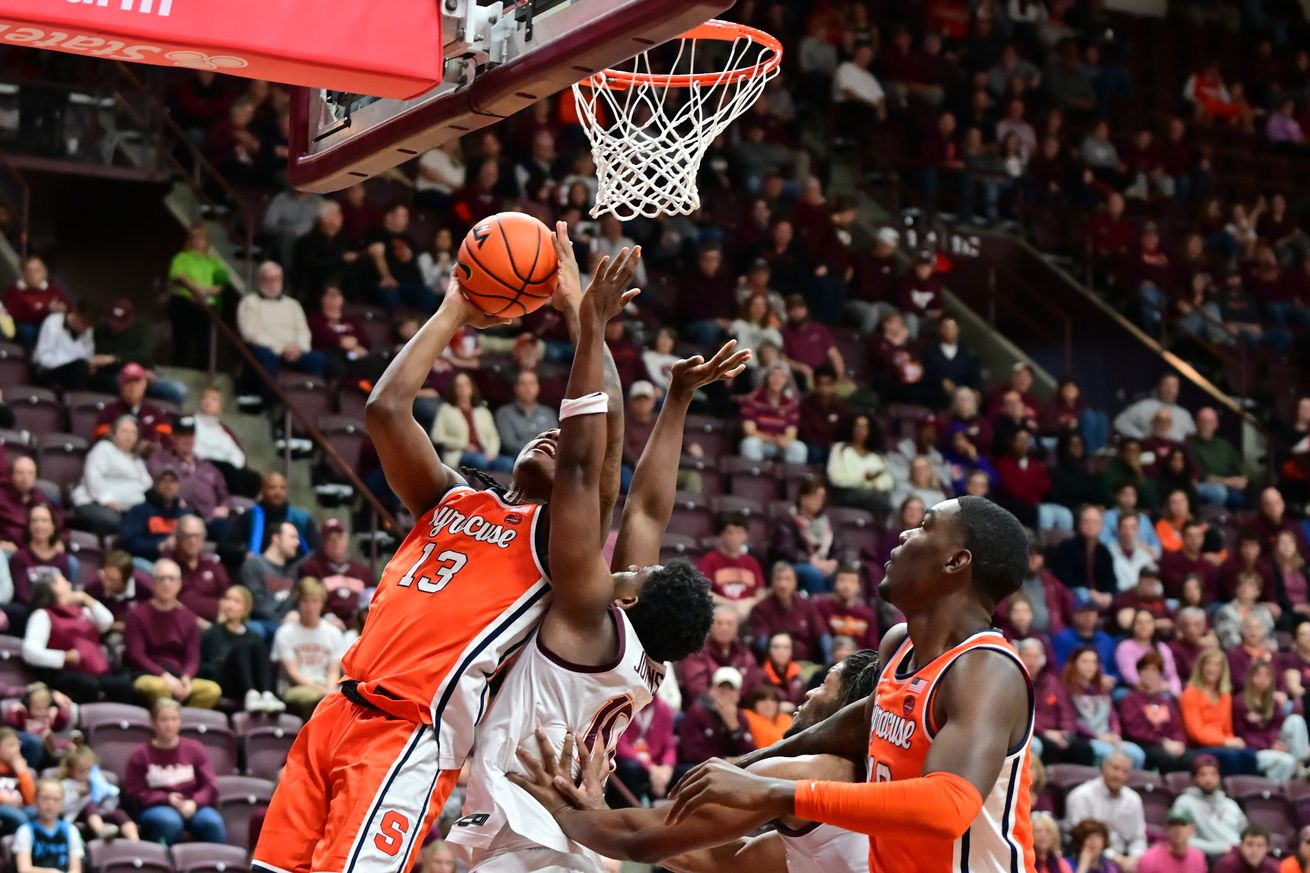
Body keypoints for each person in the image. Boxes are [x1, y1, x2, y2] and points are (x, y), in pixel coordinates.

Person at [252, 222, 628, 873]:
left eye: (561, 437)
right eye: (540, 431)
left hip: (408, 736)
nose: (550, 437)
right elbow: (386, 410)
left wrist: (579, 314)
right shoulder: (450, 497)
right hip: (336, 709)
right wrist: (456, 305)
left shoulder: (554, 537)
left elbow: (601, 438)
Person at [449, 289, 738, 871]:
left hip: (531, 833)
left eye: (637, 573)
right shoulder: (639, 660)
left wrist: (592, 324)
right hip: (568, 837)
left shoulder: (589, 620)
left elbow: (597, 467)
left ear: (627, 597)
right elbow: (650, 511)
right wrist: (677, 401)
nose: (630, 564)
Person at [661, 497, 1036, 871]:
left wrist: (772, 788)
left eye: (924, 526)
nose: (905, 532)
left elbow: (947, 807)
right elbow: (862, 719)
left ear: (956, 560)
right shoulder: (901, 647)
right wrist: (752, 761)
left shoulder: (986, 667)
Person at [506, 649, 880, 873]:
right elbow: (719, 864)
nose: (809, 691)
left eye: (825, 683)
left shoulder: (811, 771)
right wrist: (598, 809)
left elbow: (642, 840)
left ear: (849, 709)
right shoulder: (872, 784)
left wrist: (562, 811)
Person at [123, 700, 226, 845]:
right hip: (157, 808)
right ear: (153, 723)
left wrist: (195, 803)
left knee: (212, 821)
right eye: (164, 720)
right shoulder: (140, 755)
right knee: (169, 822)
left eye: (174, 719)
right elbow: (134, 793)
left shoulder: (194, 748)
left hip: (192, 805)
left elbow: (210, 786)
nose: (169, 725)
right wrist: (166, 798)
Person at [124, 559, 221, 709]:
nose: (166, 583)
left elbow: (193, 657)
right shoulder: (136, 614)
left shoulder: (189, 618)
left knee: (212, 690)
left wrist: (186, 678)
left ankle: (182, 726)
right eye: (161, 578)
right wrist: (164, 676)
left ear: (179, 584)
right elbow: (136, 655)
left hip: (178, 675)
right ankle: (164, 725)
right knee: (159, 688)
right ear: (152, 583)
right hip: (148, 675)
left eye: (171, 579)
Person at [21, 573, 133, 704]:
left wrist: (86, 599)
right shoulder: (42, 615)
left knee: (123, 686)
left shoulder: (82, 612)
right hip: (66, 673)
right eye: (64, 580)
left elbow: (107, 622)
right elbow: (29, 651)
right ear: (54, 587)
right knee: (88, 685)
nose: (69, 583)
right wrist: (63, 657)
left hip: (97, 671)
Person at [237, 261, 327, 389]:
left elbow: (303, 330)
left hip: (294, 350)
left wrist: (299, 348)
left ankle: (310, 397)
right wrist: (281, 348)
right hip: (269, 350)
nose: (273, 283)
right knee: (264, 355)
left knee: (319, 359)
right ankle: (268, 401)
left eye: (277, 279)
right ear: (261, 280)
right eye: (269, 279)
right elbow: (251, 333)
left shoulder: (293, 304)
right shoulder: (249, 302)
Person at [200, 586, 282, 714]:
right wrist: (222, 661)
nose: (230, 604)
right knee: (242, 646)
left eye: (236, 601)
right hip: (223, 682)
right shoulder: (212, 633)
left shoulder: (253, 635)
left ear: (245, 608)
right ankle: (250, 694)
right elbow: (203, 667)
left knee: (257, 644)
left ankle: (267, 694)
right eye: (227, 599)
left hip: (248, 680)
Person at [272, 578, 345, 719]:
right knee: (317, 699)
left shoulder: (333, 633)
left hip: (325, 685)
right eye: (306, 601)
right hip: (295, 687)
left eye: (315, 601)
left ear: (322, 603)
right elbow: (293, 673)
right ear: (298, 602)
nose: (310, 607)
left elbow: (333, 671)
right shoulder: (285, 633)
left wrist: (330, 690)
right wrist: (322, 691)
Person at [1180, 650, 1260, 776]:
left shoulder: (1225, 696)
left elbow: (1227, 729)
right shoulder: (1191, 693)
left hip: (1221, 743)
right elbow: (1195, 732)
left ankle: (1245, 793)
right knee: (1231, 757)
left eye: (1217, 665)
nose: (1212, 669)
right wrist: (1224, 742)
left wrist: (1233, 741)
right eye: (1208, 664)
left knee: (1250, 756)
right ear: (1201, 667)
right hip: (1198, 746)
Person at [148, 416, 230, 536]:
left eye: (191, 436)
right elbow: (156, 484)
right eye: (183, 435)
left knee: (231, 530)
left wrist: (224, 507)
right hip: (176, 515)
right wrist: (173, 499)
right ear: (173, 437)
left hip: (209, 518)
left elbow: (224, 494)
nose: (187, 440)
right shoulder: (160, 459)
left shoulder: (206, 466)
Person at [1063, 752, 1147, 870]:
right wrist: (1116, 858)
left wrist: (1135, 857)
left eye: (1125, 771)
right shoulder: (1081, 796)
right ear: (1103, 767)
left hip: (1126, 860)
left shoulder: (1133, 799)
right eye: (1115, 768)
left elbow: (1139, 838)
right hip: (1089, 858)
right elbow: (1081, 838)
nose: (1119, 775)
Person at [71, 416, 152, 537]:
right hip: (94, 503)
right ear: (113, 433)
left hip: (126, 508)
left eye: (133, 433)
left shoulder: (136, 460)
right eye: (124, 431)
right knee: (117, 524)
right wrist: (105, 499)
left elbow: (147, 484)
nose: (129, 436)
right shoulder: (104, 449)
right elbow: (93, 477)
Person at [1232, 659, 1307, 783]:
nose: (1263, 679)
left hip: (1272, 743)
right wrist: (1269, 745)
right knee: (1287, 761)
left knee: (1296, 720)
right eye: (1258, 674)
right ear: (1250, 677)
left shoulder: (1274, 702)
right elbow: (1242, 735)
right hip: (1254, 750)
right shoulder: (1239, 702)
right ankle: (1275, 792)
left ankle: (1300, 765)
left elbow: (1277, 727)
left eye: (1267, 675)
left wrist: (1276, 742)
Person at [167, 225, 228, 369]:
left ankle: (200, 375)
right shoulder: (182, 257)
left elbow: (220, 285)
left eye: (201, 236)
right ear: (189, 240)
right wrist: (197, 290)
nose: (198, 240)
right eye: (194, 236)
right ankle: (179, 372)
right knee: (183, 342)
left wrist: (204, 293)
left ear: (207, 240)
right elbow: (178, 276)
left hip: (206, 306)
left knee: (205, 345)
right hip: (184, 302)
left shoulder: (213, 261)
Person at [296, 519, 372, 627]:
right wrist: (328, 616)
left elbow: (373, 600)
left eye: (339, 537)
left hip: (359, 626)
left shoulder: (363, 572)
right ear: (323, 543)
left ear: (347, 540)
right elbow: (307, 598)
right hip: (325, 625)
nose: (336, 543)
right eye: (330, 539)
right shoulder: (310, 569)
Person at [749, 563, 830, 664]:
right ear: (772, 583)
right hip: (775, 663)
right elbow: (761, 642)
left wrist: (829, 660)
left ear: (795, 583)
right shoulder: (761, 608)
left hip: (804, 662)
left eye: (787, 579)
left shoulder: (806, 604)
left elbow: (822, 634)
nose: (783, 585)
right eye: (778, 579)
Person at [57, 745, 140, 843]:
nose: (86, 774)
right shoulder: (65, 784)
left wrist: (107, 795)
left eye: (88, 769)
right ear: (71, 770)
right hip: (77, 814)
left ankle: (136, 841)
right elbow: (63, 808)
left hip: (100, 812)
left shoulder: (96, 779)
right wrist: (78, 795)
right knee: (89, 804)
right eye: (81, 770)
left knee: (119, 813)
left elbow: (110, 803)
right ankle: (101, 831)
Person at [679, 607, 762, 701]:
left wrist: (734, 699)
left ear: (737, 628)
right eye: (719, 623)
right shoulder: (697, 653)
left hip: (739, 706)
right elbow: (696, 688)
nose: (724, 628)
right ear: (710, 627)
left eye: (729, 624)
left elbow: (752, 684)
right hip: (706, 707)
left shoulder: (745, 654)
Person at [431, 372, 509, 472]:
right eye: (458, 386)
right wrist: (464, 444)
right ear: (453, 389)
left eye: (466, 384)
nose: (463, 389)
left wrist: (491, 452)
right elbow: (436, 436)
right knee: (479, 461)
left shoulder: (483, 412)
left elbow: (493, 437)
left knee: (508, 463)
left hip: (485, 453)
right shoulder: (446, 410)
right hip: (459, 454)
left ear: (472, 387)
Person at [698, 515, 767, 623]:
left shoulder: (751, 562)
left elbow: (761, 592)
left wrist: (749, 602)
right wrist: (732, 604)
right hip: (720, 609)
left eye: (739, 532)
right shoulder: (709, 559)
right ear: (722, 534)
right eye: (730, 532)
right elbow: (704, 591)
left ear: (746, 536)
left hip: (747, 610)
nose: (734, 537)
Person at [240, 521, 305, 632]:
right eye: (292, 537)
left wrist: (295, 613)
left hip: (288, 625)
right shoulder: (255, 564)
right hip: (263, 623)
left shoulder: (293, 571)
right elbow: (256, 605)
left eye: (297, 538)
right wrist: (280, 621)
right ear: (275, 539)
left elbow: (296, 602)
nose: (297, 542)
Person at [739, 362, 808, 464]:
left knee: (799, 448)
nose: (777, 380)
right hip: (761, 441)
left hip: (780, 444)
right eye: (773, 375)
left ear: (787, 381)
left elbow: (791, 432)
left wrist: (785, 440)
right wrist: (772, 439)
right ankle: (755, 477)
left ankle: (791, 479)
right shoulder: (752, 400)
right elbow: (749, 431)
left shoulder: (791, 403)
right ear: (766, 378)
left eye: (781, 376)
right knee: (750, 443)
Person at [118, 468, 188, 563]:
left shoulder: (185, 514)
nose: (168, 485)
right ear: (155, 485)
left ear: (179, 486)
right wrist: (160, 546)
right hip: (147, 562)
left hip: (179, 564)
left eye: (173, 481)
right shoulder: (139, 511)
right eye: (163, 480)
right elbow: (129, 543)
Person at [13, 779, 83, 873]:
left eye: (56, 799)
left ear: (62, 804)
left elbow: (75, 870)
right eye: (45, 798)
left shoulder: (71, 830)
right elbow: (24, 869)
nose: (50, 803)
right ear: (35, 801)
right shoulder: (25, 831)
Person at [1137, 805, 1207, 873]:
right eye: (1173, 824)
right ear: (1165, 829)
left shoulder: (1198, 858)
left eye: (1183, 824)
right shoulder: (1150, 859)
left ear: (1192, 829)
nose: (1178, 829)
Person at [0, 727, 34, 835]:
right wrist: (4, 799)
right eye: (10, 745)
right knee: (19, 818)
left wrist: (22, 772)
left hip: (19, 807)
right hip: (2, 806)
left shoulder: (19, 767)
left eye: (17, 745)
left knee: (40, 813)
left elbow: (30, 800)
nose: (16, 750)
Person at [1212, 826, 1278, 873]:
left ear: (1267, 848)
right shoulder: (1226, 865)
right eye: (1249, 844)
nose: (1254, 850)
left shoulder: (1272, 866)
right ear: (1241, 846)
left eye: (1260, 845)